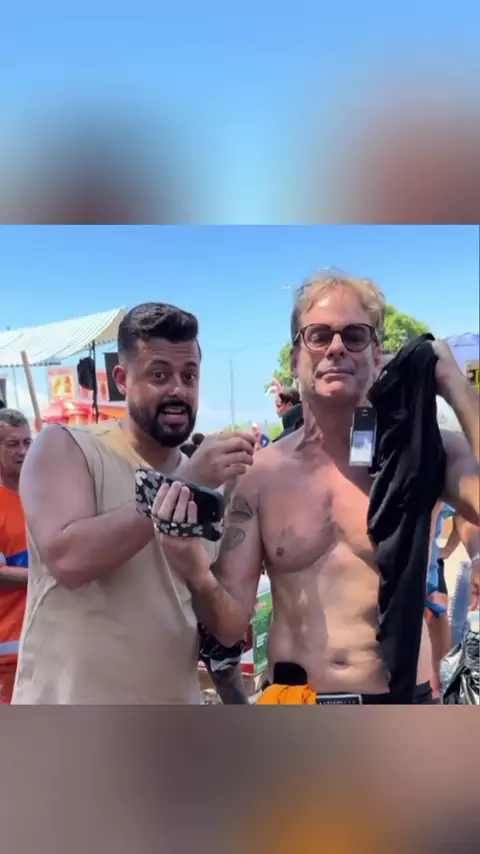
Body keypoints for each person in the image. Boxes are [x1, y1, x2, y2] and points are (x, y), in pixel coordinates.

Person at [153, 271, 480, 704]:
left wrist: (455, 386)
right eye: (319, 335)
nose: (336, 347)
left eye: (355, 335)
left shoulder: (423, 454)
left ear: (377, 355)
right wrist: (194, 569)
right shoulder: (259, 475)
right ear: (295, 359)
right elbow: (230, 627)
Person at [13, 302, 255, 704]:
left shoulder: (214, 485)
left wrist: (198, 575)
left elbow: (229, 630)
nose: (178, 389)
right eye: (159, 375)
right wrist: (186, 483)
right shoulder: (65, 447)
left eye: (189, 375)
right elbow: (69, 560)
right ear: (122, 379)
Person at [0, 409, 32, 702]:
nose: (23, 451)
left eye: (27, 442)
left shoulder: (41, 494)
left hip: (44, 643)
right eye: (13, 444)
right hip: (9, 651)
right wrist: (48, 575)